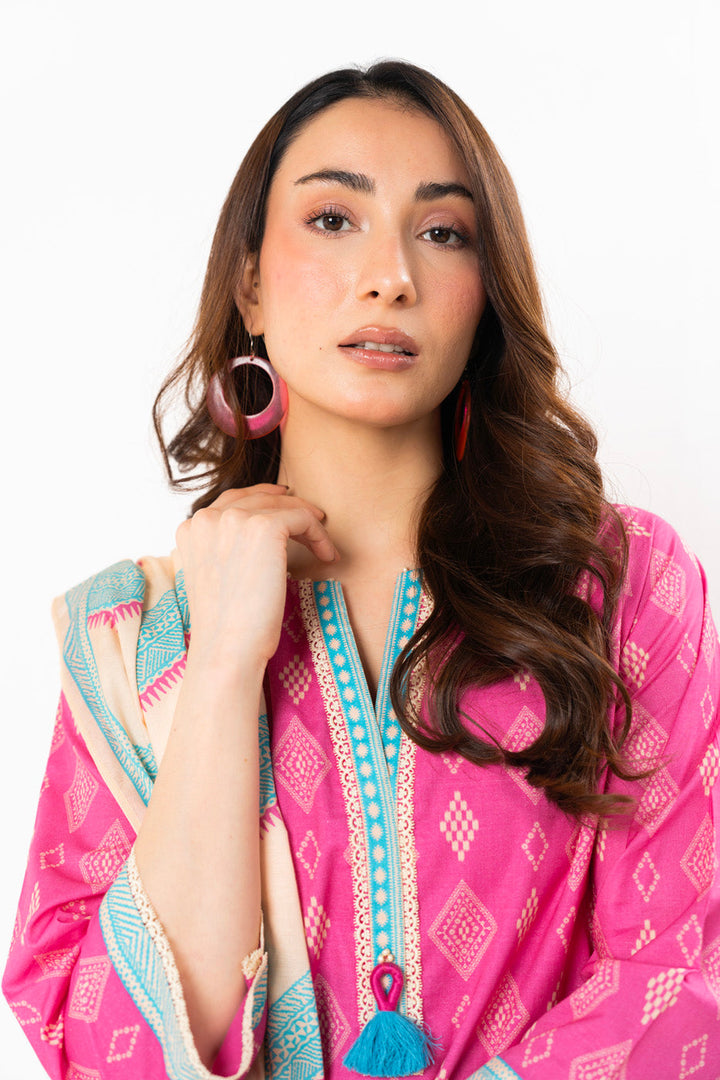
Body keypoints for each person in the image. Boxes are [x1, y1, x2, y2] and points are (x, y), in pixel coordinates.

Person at [3, 59, 719, 1080]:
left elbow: (684, 975)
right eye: (334, 219)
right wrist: (223, 665)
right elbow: (109, 1056)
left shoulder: (616, 586)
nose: (391, 275)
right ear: (250, 282)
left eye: (444, 232)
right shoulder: (138, 639)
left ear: (485, 294)